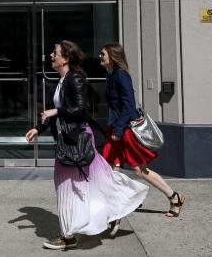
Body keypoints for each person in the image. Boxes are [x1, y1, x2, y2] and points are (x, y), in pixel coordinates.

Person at [25, 41, 148, 250]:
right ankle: (114, 209)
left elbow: (81, 111)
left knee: (70, 187)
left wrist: (56, 112)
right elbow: (56, 111)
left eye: (54, 53)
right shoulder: (63, 81)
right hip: (68, 140)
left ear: (65, 58)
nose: (50, 56)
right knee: (96, 182)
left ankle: (69, 236)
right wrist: (39, 128)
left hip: (77, 141)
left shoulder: (74, 79)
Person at [99, 42, 186, 219]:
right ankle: (121, 202)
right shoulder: (110, 76)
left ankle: (174, 197)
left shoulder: (121, 75)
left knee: (139, 170)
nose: (100, 56)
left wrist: (118, 128)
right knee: (108, 166)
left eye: (103, 54)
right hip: (116, 129)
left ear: (113, 57)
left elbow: (130, 106)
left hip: (124, 130)